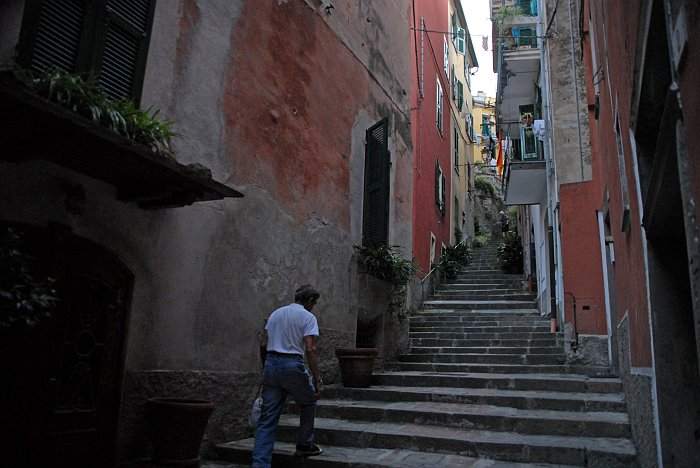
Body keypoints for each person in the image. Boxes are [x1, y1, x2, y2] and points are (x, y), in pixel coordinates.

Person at [251, 285, 324, 467]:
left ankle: (260, 464)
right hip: (292, 364)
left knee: (268, 419)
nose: (313, 306)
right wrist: (317, 379)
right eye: (314, 303)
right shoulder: (308, 317)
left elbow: (263, 343)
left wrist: (266, 368)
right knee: (308, 402)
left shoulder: (276, 313)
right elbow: (310, 349)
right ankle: (304, 444)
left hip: (271, 364)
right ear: (309, 301)